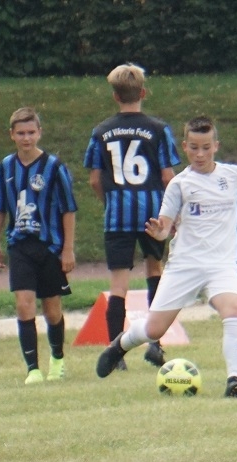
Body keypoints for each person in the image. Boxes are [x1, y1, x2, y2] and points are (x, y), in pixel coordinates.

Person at [95, 116, 237, 397]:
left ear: (216, 146)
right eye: (194, 148)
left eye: (206, 147)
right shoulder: (179, 184)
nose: (200, 154)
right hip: (185, 266)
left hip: (221, 266)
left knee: (234, 309)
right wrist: (159, 232)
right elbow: (165, 225)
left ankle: (234, 380)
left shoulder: (232, 175)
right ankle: (121, 345)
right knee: (154, 329)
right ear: (185, 147)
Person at [83, 63, 182, 370]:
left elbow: (94, 179)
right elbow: (168, 176)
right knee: (155, 271)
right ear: (143, 93)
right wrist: (173, 214)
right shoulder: (158, 129)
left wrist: (110, 202)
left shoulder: (100, 132)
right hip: (152, 213)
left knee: (118, 285)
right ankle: (155, 344)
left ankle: (116, 354)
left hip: (118, 215)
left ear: (115, 96)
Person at [0, 107, 78, 385]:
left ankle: (57, 358)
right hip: (19, 245)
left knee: (52, 309)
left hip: (49, 246)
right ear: (12, 135)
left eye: (31, 132)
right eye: (20, 133)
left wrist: (68, 248)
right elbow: (0, 207)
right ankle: (33, 369)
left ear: (39, 133)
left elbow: (68, 210)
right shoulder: (6, 167)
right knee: (23, 304)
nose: (26, 138)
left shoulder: (54, 167)